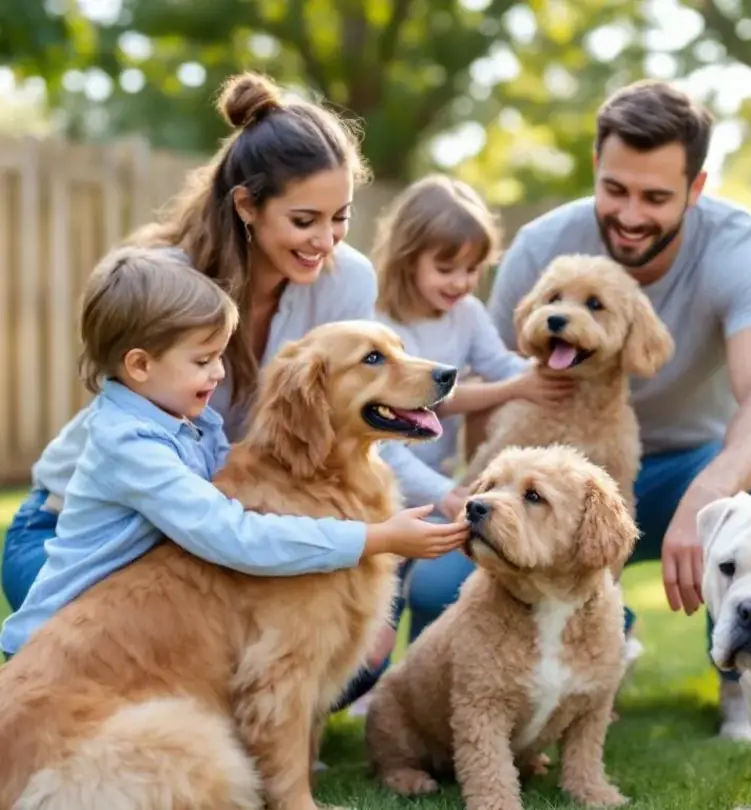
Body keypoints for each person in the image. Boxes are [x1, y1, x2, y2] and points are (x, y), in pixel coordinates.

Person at [0, 72, 461, 695]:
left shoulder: (345, 278)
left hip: (222, 522)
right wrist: (366, 542)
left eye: (341, 218)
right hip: (87, 540)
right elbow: (220, 526)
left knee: (345, 662)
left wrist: (446, 497)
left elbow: (351, 424)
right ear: (246, 205)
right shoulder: (160, 283)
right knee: (185, 657)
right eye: (304, 220)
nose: (325, 242)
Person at [404, 79, 751, 742]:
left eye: (656, 197)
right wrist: (476, 496)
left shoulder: (742, 247)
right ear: (596, 167)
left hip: (686, 467)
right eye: (615, 189)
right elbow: (490, 393)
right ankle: (439, 697)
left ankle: (747, 688)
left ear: (696, 187)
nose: (630, 215)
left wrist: (708, 495)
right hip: (547, 484)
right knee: (432, 588)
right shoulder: (543, 247)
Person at [1, 247, 465, 658]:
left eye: (220, 356)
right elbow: (230, 533)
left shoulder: (190, 420)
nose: (219, 374)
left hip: (134, 616)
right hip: (70, 645)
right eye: (203, 361)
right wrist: (374, 539)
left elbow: (239, 486)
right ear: (139, 365)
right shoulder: (128, 444)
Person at [370, 174, 575, 529]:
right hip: (385, 475)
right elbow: (430, 400)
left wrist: (541, 374)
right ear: (407, 258)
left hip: (438, 477)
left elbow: (498, 363)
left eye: (472, 269)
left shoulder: (467, 312)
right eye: (445, 269)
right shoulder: (383, 325)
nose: (461, 282)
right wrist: (514, 388)